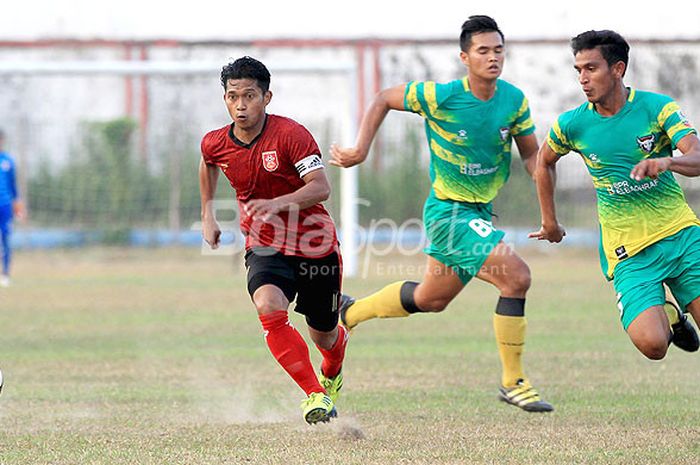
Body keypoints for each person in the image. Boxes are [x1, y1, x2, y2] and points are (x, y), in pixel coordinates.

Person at [330, 16, 552, 412]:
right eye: (483, 51)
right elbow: (383, 97)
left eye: (498, 50)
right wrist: (361, 150)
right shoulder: (441, 96)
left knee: (431, 299)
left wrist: (545, 172)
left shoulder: (514, 100)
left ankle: (351, 312)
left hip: (479, 212)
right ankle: (513, 381)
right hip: (449, 212)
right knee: (516, 277)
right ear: (465, 57)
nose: (492, 57)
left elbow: (531, 155)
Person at [530, 30, 700, 359]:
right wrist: (550, 222)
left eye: (591, 68)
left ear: (618, 69)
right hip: (629, 251)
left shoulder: (657, 108)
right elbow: (544, 162)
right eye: (578, 70)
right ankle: (671, 317)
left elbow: (697, 156)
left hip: (681, 236)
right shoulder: (571, 124)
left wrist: (667, 162)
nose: (582, 78)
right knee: (653, 345)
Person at [199, 56, 348, 424]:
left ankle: (333, 367)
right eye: (233, 96)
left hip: (316, 246)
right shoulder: (215, 143)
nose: (240, 104)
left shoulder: (291, 136)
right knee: (268, 306)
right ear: (225, 100)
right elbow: (207, 162)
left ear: (267, 97)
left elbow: (321, 188)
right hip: (265, 245)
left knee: (325, 337)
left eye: (249, 96)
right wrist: (207, 211)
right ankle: (315, 395)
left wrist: (278, 203)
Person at [0, 129, 24, 288]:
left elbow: (14, 186)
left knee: (6, 239)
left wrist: (18, 206)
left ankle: (6, 274)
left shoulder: (8, 161)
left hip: (5, 206)